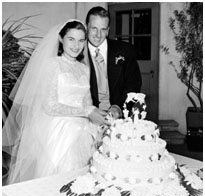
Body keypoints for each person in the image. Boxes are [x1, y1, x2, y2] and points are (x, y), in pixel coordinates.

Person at [2, 19, 109, 184]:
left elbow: (87, 102)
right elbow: (50, 106)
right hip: (59, 128)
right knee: (63, 180)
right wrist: (86, 112)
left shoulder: (84, 68)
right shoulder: (52, 65)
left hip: (83, 128)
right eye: (71, 39)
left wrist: (98, 116)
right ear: (61, 39)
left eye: (81, 40)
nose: (76, 45)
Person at [83, 6, 142, 118]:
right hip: (87, 117)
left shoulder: (125, 50)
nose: (98, 35)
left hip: (120, 116)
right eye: (94, 28)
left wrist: (118, 107)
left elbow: (133, 83)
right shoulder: (78, 54)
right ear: (86, 27)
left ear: (108, 30)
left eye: (103, 29)